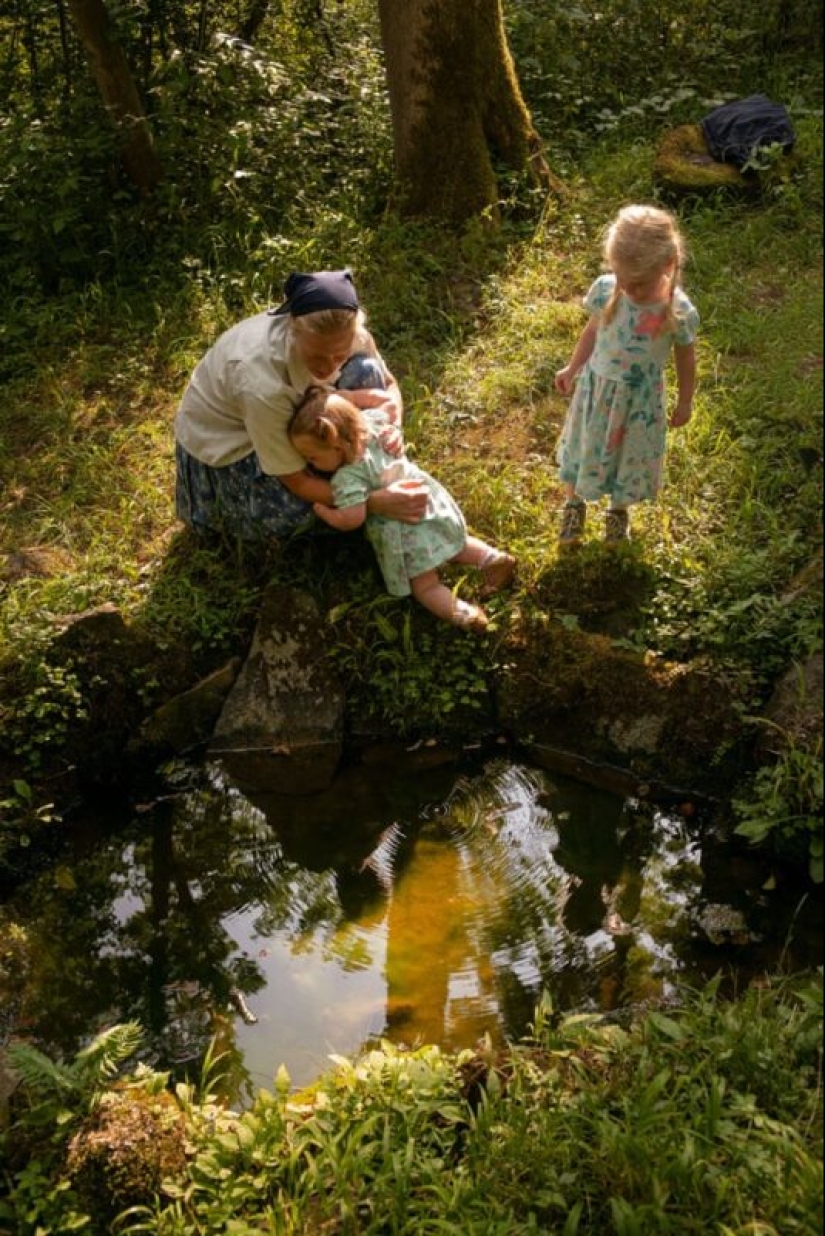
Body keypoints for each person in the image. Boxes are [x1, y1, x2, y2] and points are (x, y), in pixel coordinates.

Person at [174, 268, 427, 540]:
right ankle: (362, 486)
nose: (329, 366)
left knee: (366, 371)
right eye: (317, 357)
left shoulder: (350, 334)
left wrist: (393, 428)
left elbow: (389, 386)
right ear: (293, 331)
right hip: (235, 449)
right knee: (294, 512)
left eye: (339, 355)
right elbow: (296, 480)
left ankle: (360, 475)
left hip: (300, 414)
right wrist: (374, 501)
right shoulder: (261, 384)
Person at [287, 381, 516, 631]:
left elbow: (353, 518)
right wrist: (348, 396)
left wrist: (324, 511)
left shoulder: (347, 478)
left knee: (425, 586)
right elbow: (385, 399)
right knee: (456, 544)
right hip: (425, 500)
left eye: (313, 457)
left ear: (336, 445)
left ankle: (465, 615)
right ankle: (492, 558)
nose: (311, 465)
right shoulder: (375, 424)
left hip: (401, 529)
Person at [554, 204, 699, 544]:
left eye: (639, 283)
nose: (629, 289)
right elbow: (592, 331)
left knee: (628, 456)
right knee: (582, 446)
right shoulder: (606, 289)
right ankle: (573, 505)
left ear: (667, 265)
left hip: (639, 401)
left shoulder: (677, 310)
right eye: (622, 278)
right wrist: (574, 367)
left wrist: (686, 400)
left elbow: (686, 360)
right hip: (597, 391)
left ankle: (618, 511)